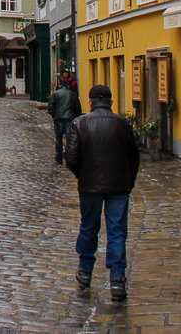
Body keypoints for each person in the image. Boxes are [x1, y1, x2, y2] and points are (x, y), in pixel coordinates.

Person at [64, 84, 140, 302]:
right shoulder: (123, 124)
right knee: (117, 231)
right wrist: (128, 181)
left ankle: (85, 271)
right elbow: (133, 156)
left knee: (89, 227)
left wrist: (83, 174)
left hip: (90, 186)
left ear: (90, 102)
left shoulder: (79, 123)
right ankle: (117, 279)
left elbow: (70, 157)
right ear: (111, 102)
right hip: (119, 186)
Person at [48, 74, 82, 164]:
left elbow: (50, 106)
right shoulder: (72, 94)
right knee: (69, 139)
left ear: (60, 85)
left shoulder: (55, 94)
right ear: (68, 85)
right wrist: (77, 116)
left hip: (58, 119)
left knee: (58, 138)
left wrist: (53, 114)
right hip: (69, 118)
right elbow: (78, 107)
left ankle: (59, 157)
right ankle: (68, 157)